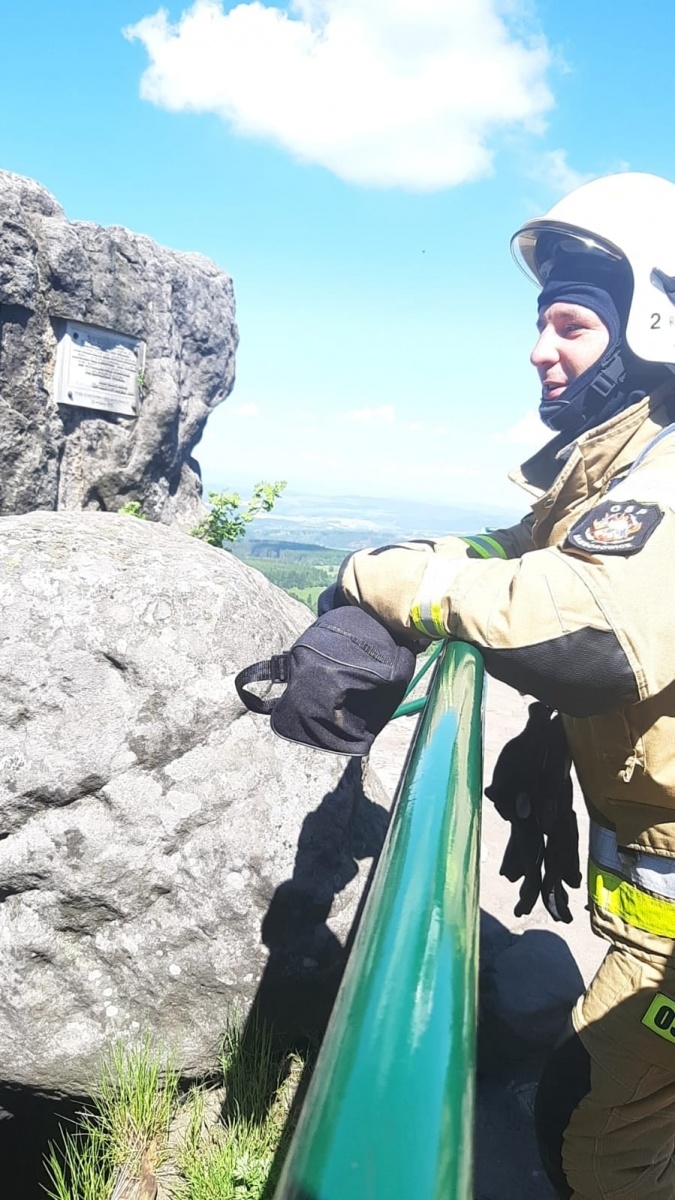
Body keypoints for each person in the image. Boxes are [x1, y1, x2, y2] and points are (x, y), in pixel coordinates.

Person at [336, 172, 675, 1199]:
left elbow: (585, 633)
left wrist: (368, 580)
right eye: (541, 322)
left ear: (650, 330)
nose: (539, 348)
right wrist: (408, 571)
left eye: (571, 325)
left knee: (596, 1141)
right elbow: (511, 549)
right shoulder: (613, 465)